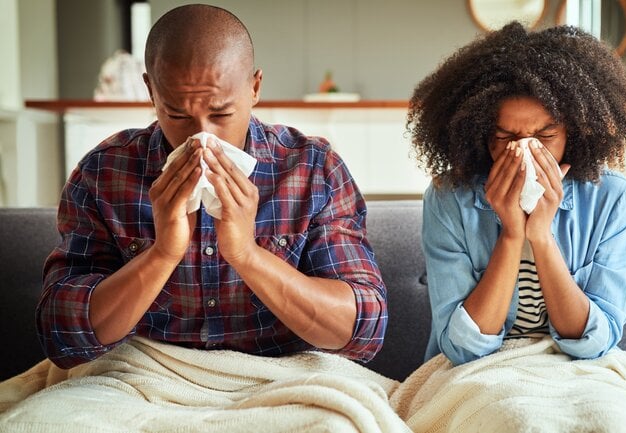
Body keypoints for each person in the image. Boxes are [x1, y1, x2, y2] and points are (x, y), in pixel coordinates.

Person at [37, 4, 387, 369]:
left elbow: (363, 333)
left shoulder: (312, 168)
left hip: (282, 375)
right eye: (177, 115)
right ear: (151, 92)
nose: (202, 137)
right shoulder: (105, 172)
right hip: (143, 377)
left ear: (255, 87)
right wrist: (162, 254)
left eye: (221, 114)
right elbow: (61, 338)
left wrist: (247, 255)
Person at [408, 21, 626, 366]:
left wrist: (541, 236)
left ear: (575, 131)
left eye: (545, 135)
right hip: (481, 370)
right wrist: (511, 235)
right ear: (479, 133)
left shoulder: (609, 197)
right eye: (506, 137)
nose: (524, 151)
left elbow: (594, 342)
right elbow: (463, 348)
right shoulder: (449, 199)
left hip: (576, 370)